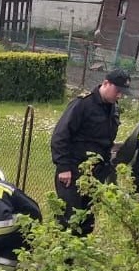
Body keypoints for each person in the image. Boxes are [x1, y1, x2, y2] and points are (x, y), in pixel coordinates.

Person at [49, 70, 129, 235]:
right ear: (106, 83)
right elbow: (61, 136)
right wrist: (63, 167)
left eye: (122, 92)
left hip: (96, 173)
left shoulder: (113, 109)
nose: (119, 95)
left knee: (87, 220)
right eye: (117, 91)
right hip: (73, 171)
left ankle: (80, 258)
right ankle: (63, 259)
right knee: (69, 218)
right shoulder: (83, 104)